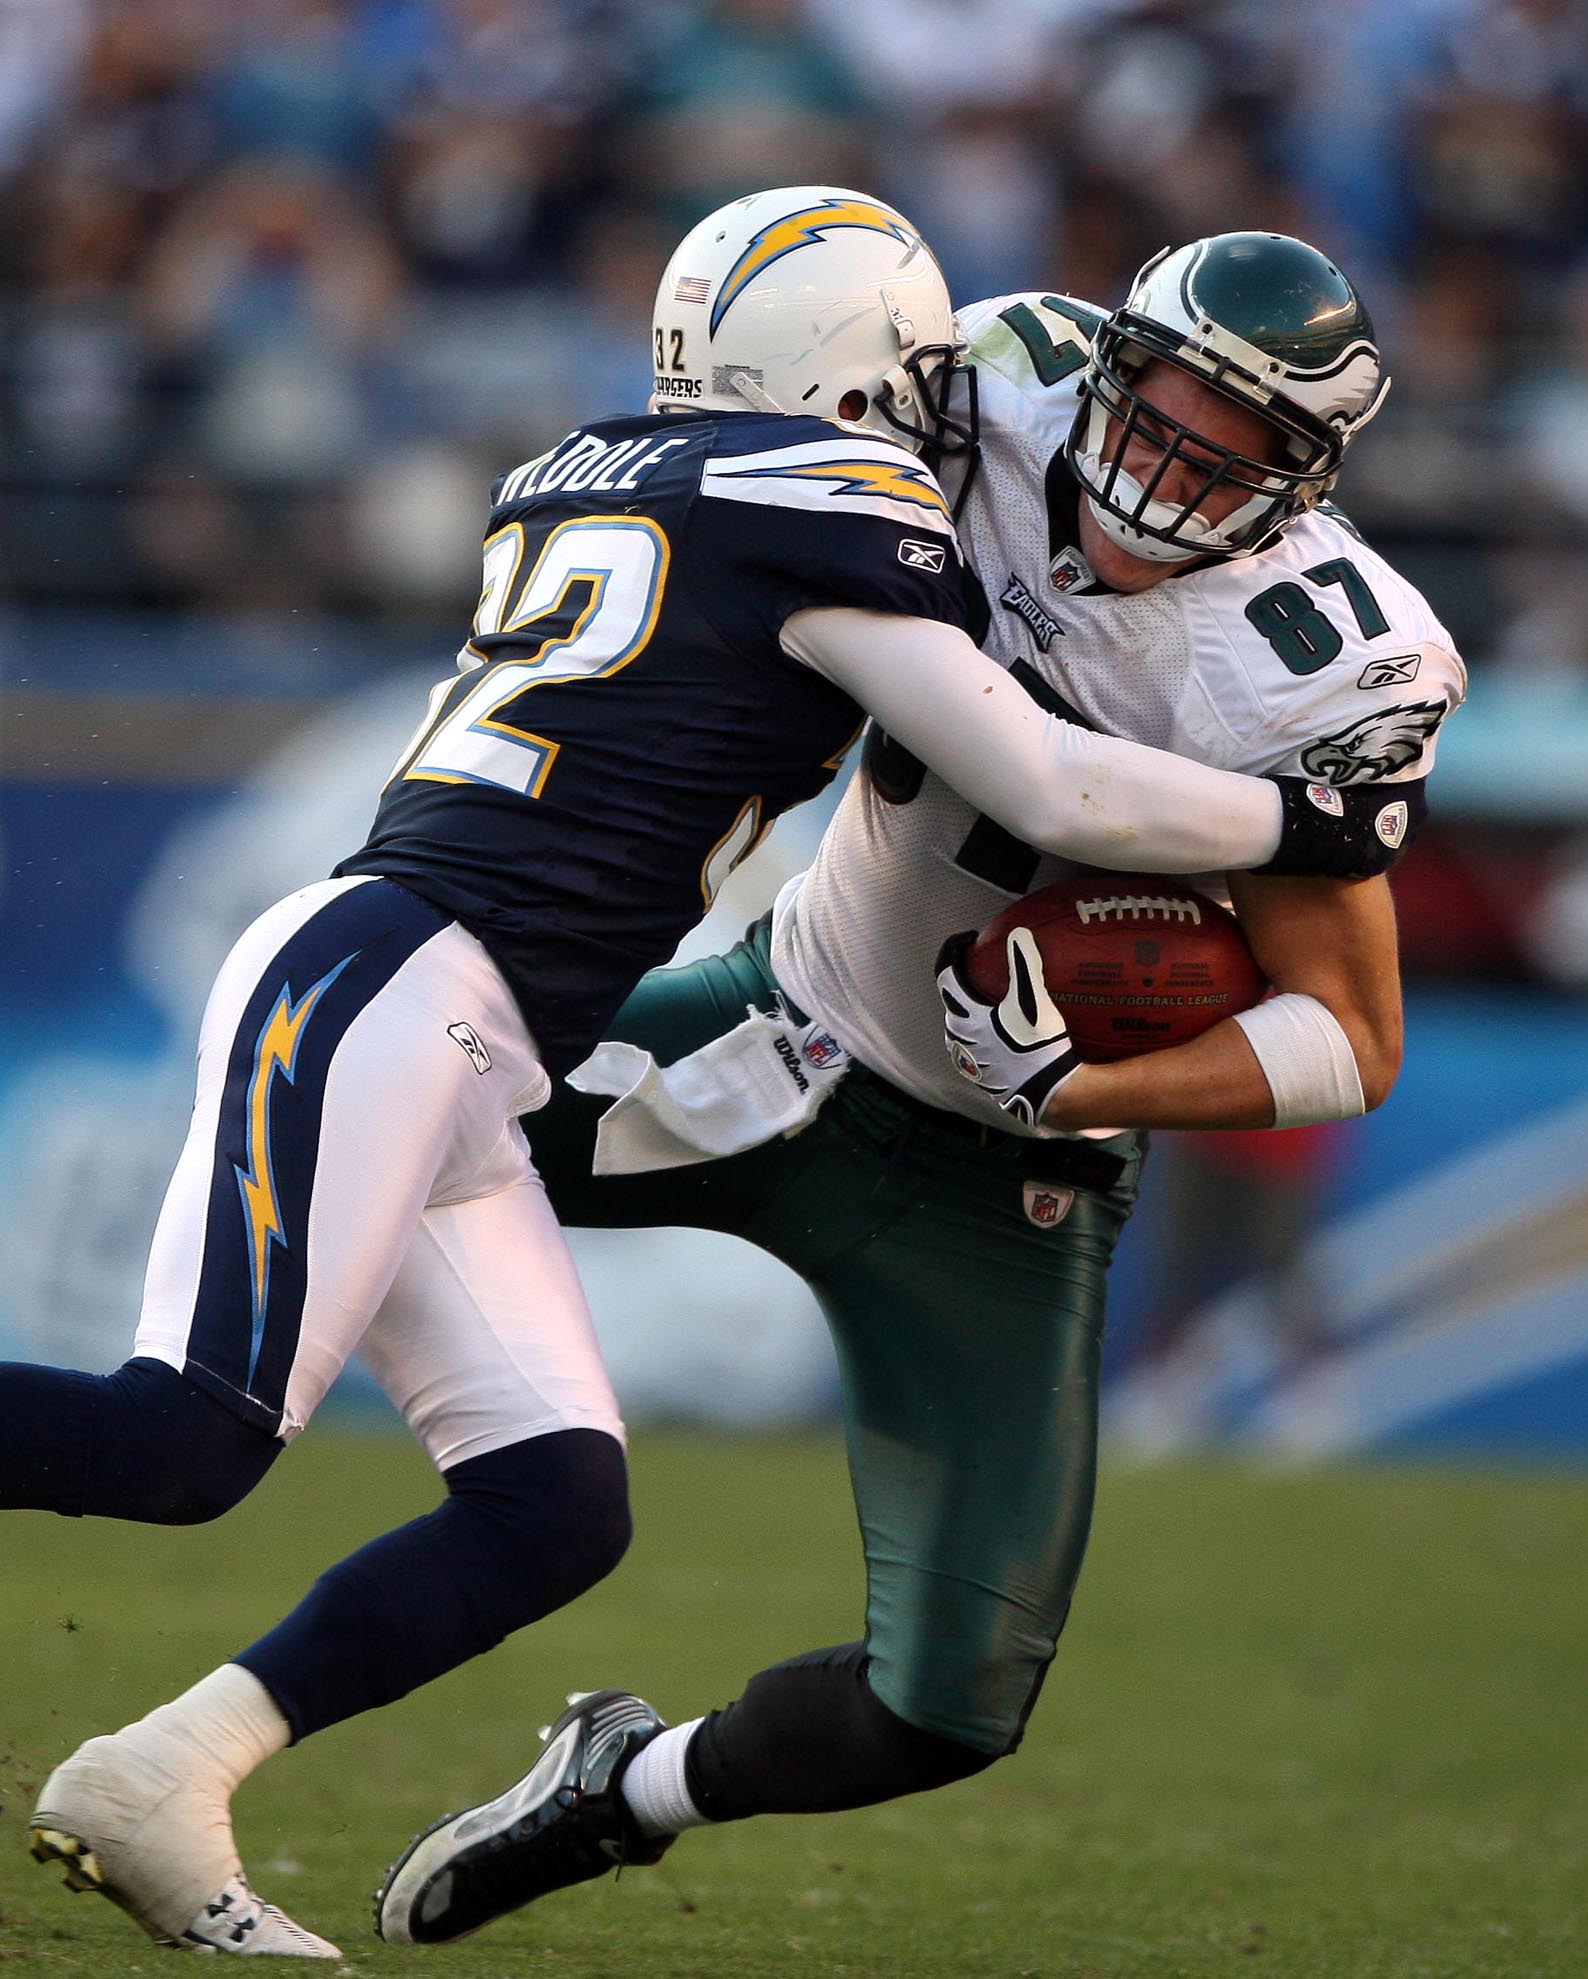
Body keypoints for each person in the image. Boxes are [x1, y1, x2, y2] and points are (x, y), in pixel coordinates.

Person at [0, 193, 1405, 1960]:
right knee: (183, 1439)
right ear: (858, 381)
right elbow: (1053, 783)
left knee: (558, 1504)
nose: (944, 424)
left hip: (496, 1026)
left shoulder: (598, 464)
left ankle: (166, 1772)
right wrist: (1320, 818)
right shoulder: (835, 496)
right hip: (421, 983)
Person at [375, 233, 1463, 1945]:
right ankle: (192, 1574)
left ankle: (623, 1786)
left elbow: (1354, 1038)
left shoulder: (1315, 657)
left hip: (1008, 1179)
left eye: (1232, 457)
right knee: (359, 1132)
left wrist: (1099, 1073)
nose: (1170, 477)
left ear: (1305, 478)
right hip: (785, 1023)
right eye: (1162, 421)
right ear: (1102, 368)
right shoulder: (987, 388)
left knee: (945, 1703)